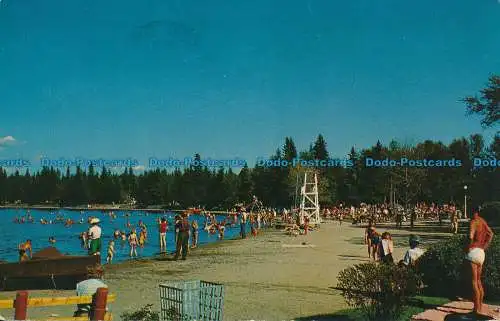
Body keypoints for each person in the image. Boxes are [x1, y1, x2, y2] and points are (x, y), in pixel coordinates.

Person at [466, 208, 494, 317]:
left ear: (472, 212)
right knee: (478, 281)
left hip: (473, 251)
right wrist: (485, 246)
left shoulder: (473, 222)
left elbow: (470, 236)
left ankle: (476, 310)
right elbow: (491, 234)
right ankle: (479, 307)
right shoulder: (482, 221)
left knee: (474, 282)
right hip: (481, 252)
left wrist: (468, 247)